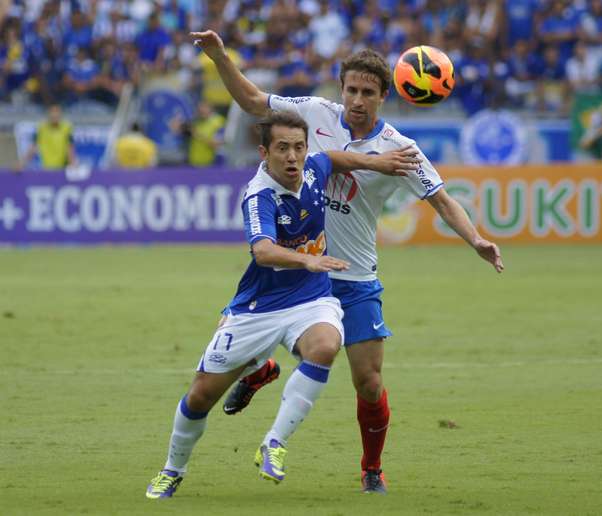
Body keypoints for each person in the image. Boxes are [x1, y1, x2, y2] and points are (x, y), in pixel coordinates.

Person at [190, 30, 504, 494]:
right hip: (300, 269)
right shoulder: (314, 114)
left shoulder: (400, 149)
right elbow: (255, 101)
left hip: (354, 276)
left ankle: (371, 468)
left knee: (369, 381)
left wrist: (475, 238)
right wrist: (219, 57)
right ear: (342, 90)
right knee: (282, 348)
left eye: (368, 93)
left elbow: (441, 200)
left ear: (384, 95)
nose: (357, 100)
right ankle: (260, 367)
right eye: (351, 90)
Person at [146, 110, 421, 499]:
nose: (293, 157)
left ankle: (274, 442)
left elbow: (334, 159)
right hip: (258, 306)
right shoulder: (258, 194)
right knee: (200, 396)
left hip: (311, 298)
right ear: (264, 153)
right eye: (282, 149)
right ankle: (173, 469)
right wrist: (307, 259)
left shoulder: (313, 167)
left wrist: (377, 162)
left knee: (326, 346)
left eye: (298, 147)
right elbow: (262, 251)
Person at [18, 104, 77, 171]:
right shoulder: (41, 128)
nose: (54, 115)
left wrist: (73, 164)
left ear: (60, 114)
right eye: (52, 112)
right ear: (48, 114)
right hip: (47, 168)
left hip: (63, 168)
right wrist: (22, 164)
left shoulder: (67, 127)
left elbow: (70, 147)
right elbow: (33, 148)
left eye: (57, 112)